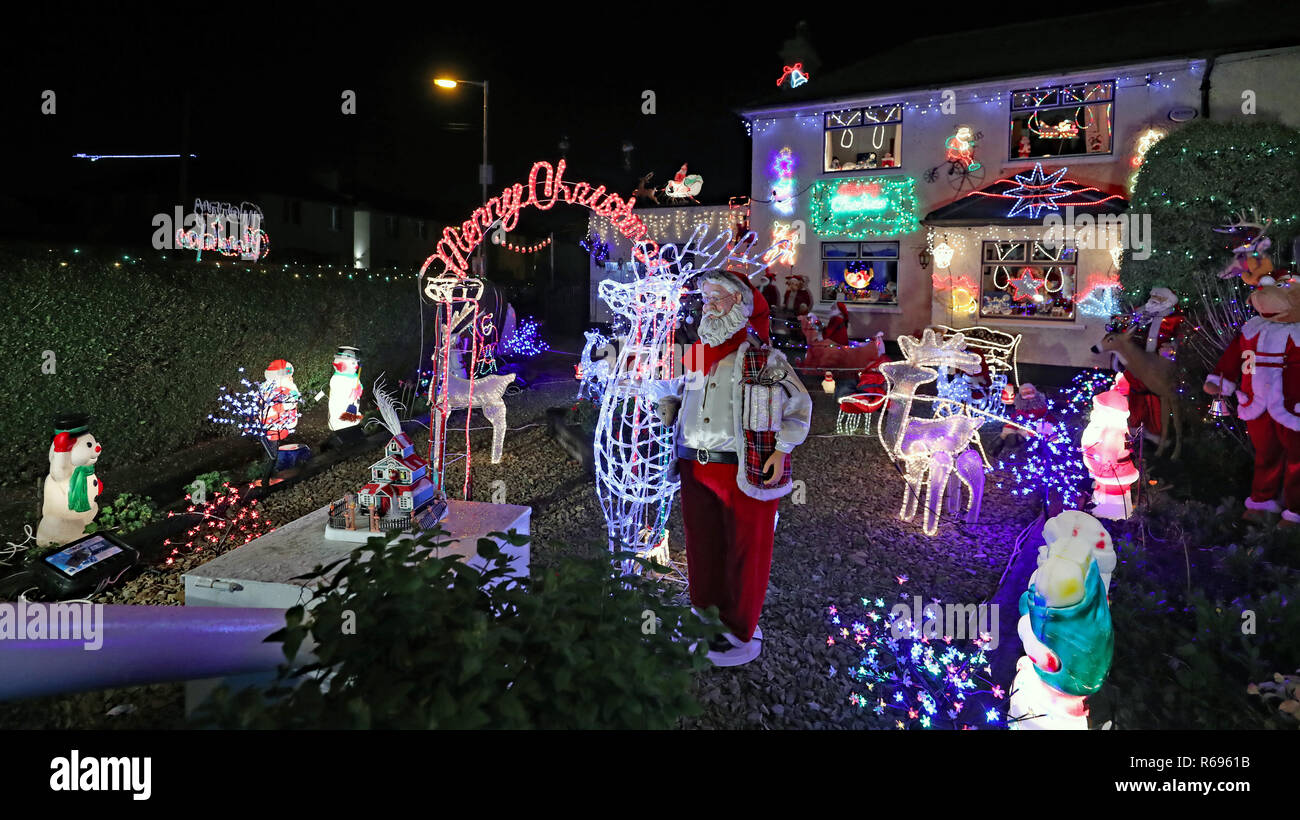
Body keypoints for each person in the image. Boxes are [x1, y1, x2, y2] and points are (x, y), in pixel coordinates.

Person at [657, 270, 812, 667]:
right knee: (701, 543)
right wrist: (669, 406)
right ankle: (703, 612)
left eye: (718, 298)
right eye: (706, 298)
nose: (708, 305)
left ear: (740, 306)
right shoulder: (695, 356)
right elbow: (678, 392)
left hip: (742, 468)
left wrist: (783, 447)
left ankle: (737, 627)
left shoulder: (763, 357)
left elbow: (799, 405)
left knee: (746, 547)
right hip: (694, 464)